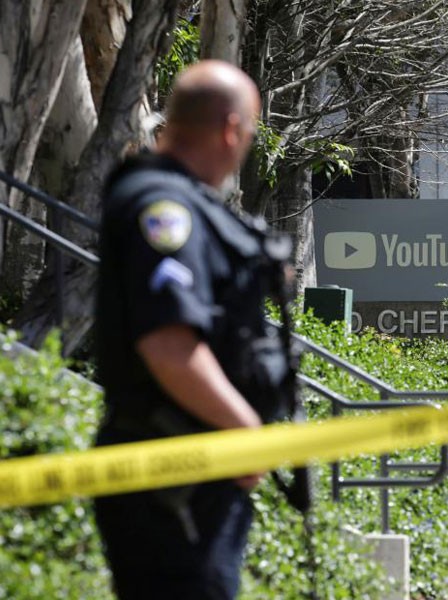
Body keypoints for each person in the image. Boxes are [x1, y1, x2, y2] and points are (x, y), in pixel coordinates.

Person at [93, 60, 293, 599]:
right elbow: (169, 345)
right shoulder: (163, 208)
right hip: (171, 474)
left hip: (189, 469)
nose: (245, 146)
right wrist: (245, 431)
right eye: (250, 134)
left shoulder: (181, 200)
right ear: (231, 129)